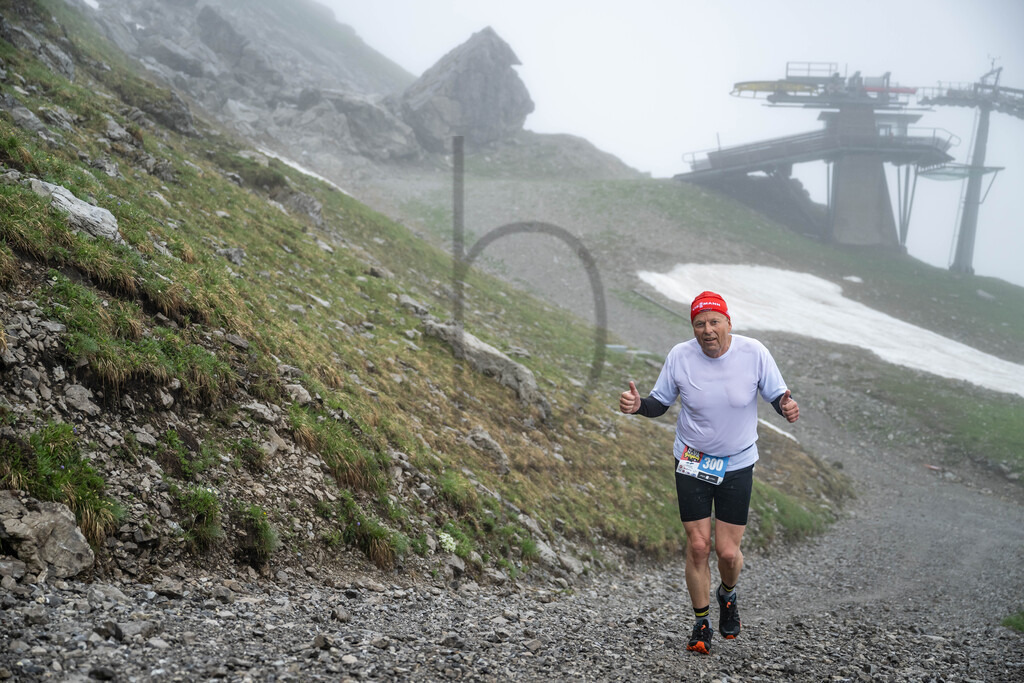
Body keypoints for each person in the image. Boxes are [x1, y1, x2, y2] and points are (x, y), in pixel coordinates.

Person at [618, 290, 798, 655]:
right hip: (692, 460)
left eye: (714, 321)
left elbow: (777, 395)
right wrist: (639, 406)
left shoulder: (754, 353)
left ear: (728, 323)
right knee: (699, 546)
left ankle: (727, 595)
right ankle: (701, 624)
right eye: (699, 324)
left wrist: (786, 406)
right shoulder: (680, 356)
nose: (707, 330)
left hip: (737, 463)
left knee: (728, 553)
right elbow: (659, 403)